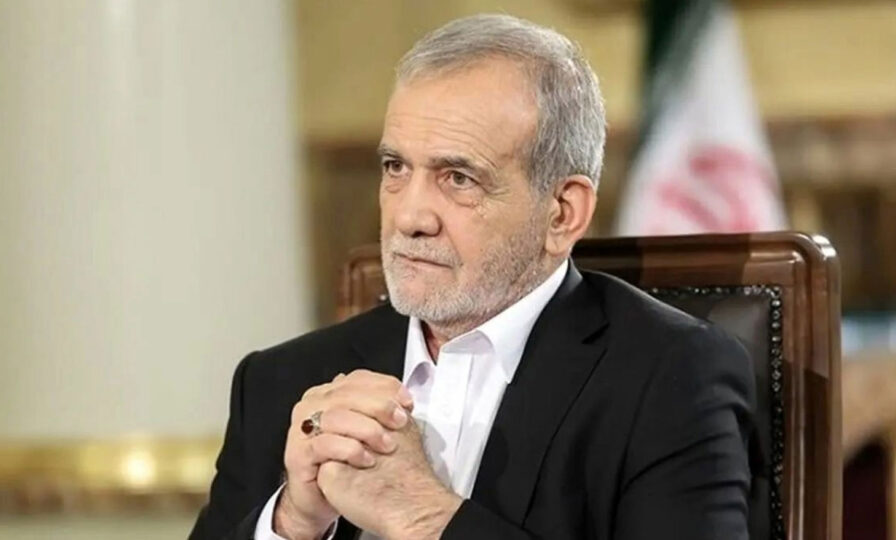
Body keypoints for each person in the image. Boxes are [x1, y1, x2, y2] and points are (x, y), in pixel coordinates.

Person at [190, 14, 755, 540]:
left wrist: (423, 514)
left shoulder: (670, 379)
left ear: (562, 213)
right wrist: (293, 522)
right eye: (395, 168)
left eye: (458, 178)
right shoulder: (281, 383)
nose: (409, 217)